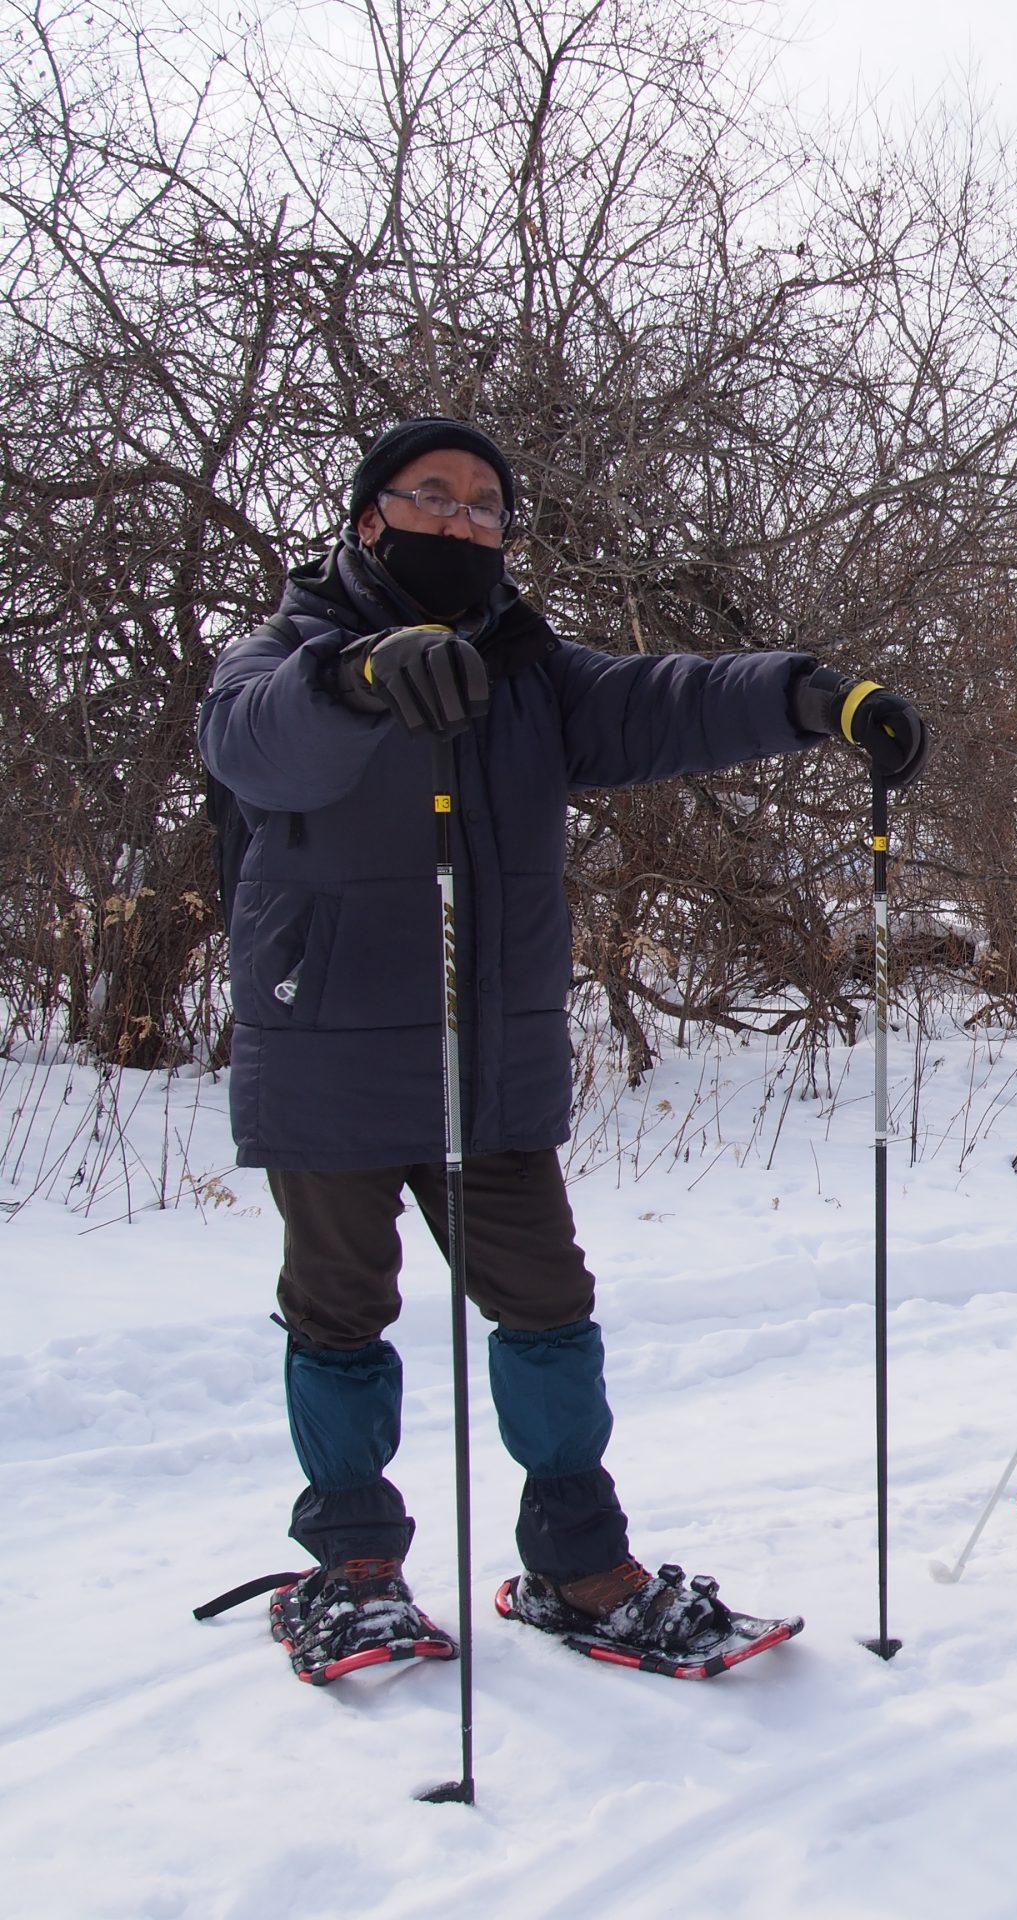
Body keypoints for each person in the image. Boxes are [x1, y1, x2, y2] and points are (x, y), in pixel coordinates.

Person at [198, 417, 928, 1679]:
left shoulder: (528, 671)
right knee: (340, 1311)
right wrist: (362, 680)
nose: (464, 521)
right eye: (435, 497)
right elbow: (250, 742)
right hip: (328, 1043)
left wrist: (810, 695)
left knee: (546, 1308)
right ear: (369, 518)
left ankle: (579, 1562)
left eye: (487, 507)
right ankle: (353, 1568)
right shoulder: (284, 654)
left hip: (490, 1058)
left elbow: (663, 697)